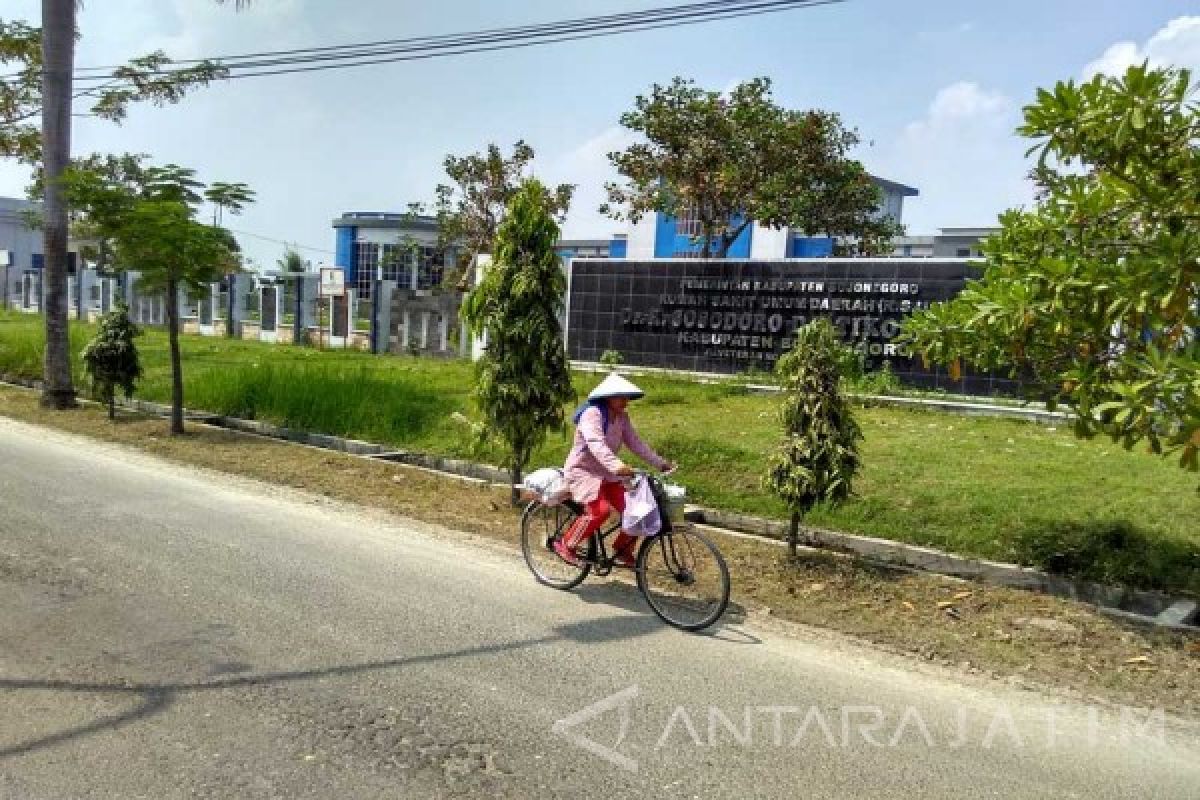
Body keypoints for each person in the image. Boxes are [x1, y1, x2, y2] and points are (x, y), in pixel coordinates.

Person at [557, 373, 674, 567]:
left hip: (607, 473)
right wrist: (617, 466)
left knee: (638, 513)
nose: (625, 401)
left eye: (626, 397)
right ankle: (566, 543)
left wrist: (660, 463)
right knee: (600, 511)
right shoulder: (592, 414)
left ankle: (622, 549)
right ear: (607, 396)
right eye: (620, 397)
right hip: (583, 471)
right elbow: (596, 444)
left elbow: (636, 444)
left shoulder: (621, 417)